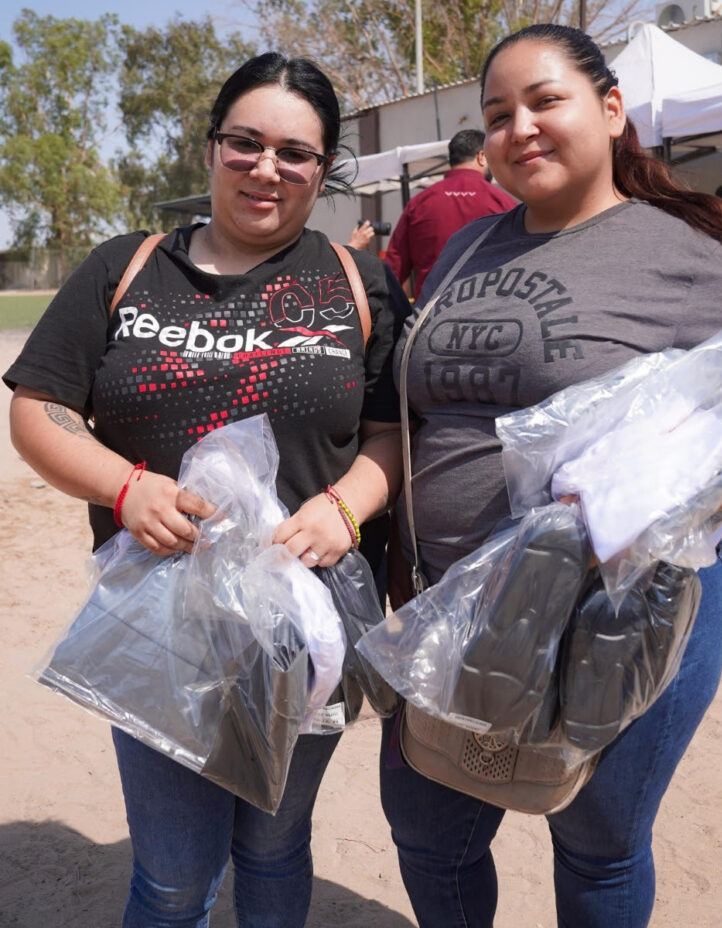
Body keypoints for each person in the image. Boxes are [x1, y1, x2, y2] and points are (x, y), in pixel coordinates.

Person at [4, 52, 408, 928]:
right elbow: (37, 407)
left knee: (273, 847)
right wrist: (125, 487)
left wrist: (348, 506)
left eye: (296, 153)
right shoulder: (126, 266)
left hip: (303, 627)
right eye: (246, 143)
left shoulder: (358, 284)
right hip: (163, 628)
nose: (268, 169)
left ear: (324, 168)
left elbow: (390, 431)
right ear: (213, 147)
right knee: (177, 876)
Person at [380, 24, 722, 928]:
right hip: (457, 609)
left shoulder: (686, 248)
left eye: (545, 100)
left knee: (596, 848)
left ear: (610, 107)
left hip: (618, 615)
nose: (521, 127)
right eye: (498, 113)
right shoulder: (471, 247)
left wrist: (674, 509)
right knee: (428, 830)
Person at [384, 129, 517, 300]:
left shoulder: (419, 203)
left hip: (430, 312)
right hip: (489, 311)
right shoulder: (502, 202)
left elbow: (393, 270)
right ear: (481, 156)